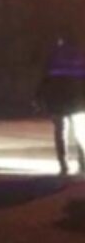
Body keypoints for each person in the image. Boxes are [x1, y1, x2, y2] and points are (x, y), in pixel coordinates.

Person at [36, 35, 85, 176]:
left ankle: (63, 165)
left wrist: (40, 99)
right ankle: (82, 163)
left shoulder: (54, 57)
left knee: (60, 132)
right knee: (80, 132)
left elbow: (45, 80)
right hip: (77, 101)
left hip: (58, 101)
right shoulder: (80, 56)